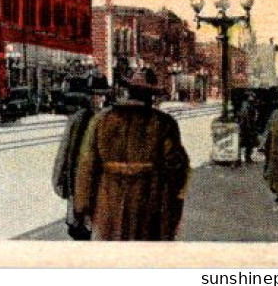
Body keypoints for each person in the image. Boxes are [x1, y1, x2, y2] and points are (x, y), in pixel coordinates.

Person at [73, 66, 190, 241]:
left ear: (129, 92)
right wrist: (172, 206)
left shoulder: (101, 120)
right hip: (150, 205)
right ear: (151, 97)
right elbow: (178, 169)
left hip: (108, 205)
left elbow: (86, 166)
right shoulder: (164, 123)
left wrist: (82, 207)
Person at [52, 75, 112, 240]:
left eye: (100, 95)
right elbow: (64, 153)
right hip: (79, 185)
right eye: (94, 95)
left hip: (100, 188)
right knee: (81, 232)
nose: (97, 98)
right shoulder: (78, 120)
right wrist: (59, 181)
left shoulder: (110, 120)